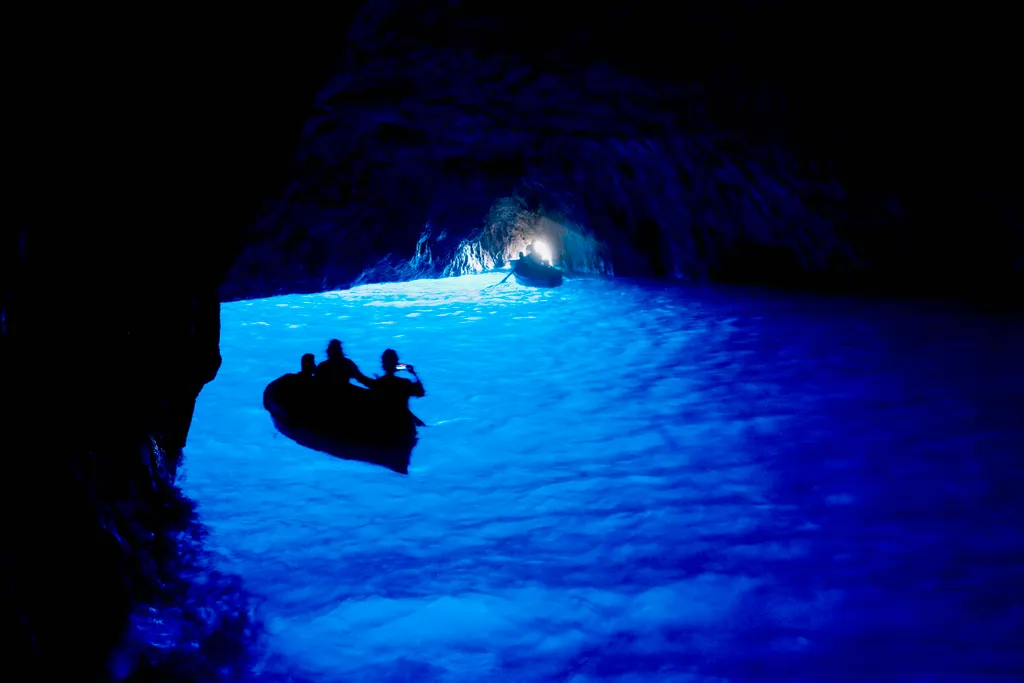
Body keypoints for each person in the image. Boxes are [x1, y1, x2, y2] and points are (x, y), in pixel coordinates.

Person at [369, 348, 425, 430]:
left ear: (383, 365)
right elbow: (421, 393)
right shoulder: (404, 383)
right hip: (404, 425)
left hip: (386, 425)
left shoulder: (378, 383)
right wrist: (413, 374)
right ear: (397, 364)